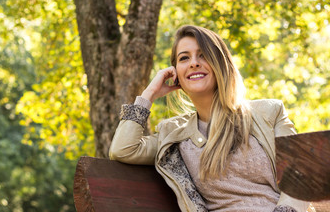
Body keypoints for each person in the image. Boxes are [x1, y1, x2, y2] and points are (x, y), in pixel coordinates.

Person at [109, 25, 311, 212]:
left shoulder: (269, 113)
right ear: (175, 74)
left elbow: (299, 180)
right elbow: (123, 150)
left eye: (203, 55)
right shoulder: (173, 135)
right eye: (184, 58)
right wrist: (148, 94)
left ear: (220, 64)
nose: (194, 63)